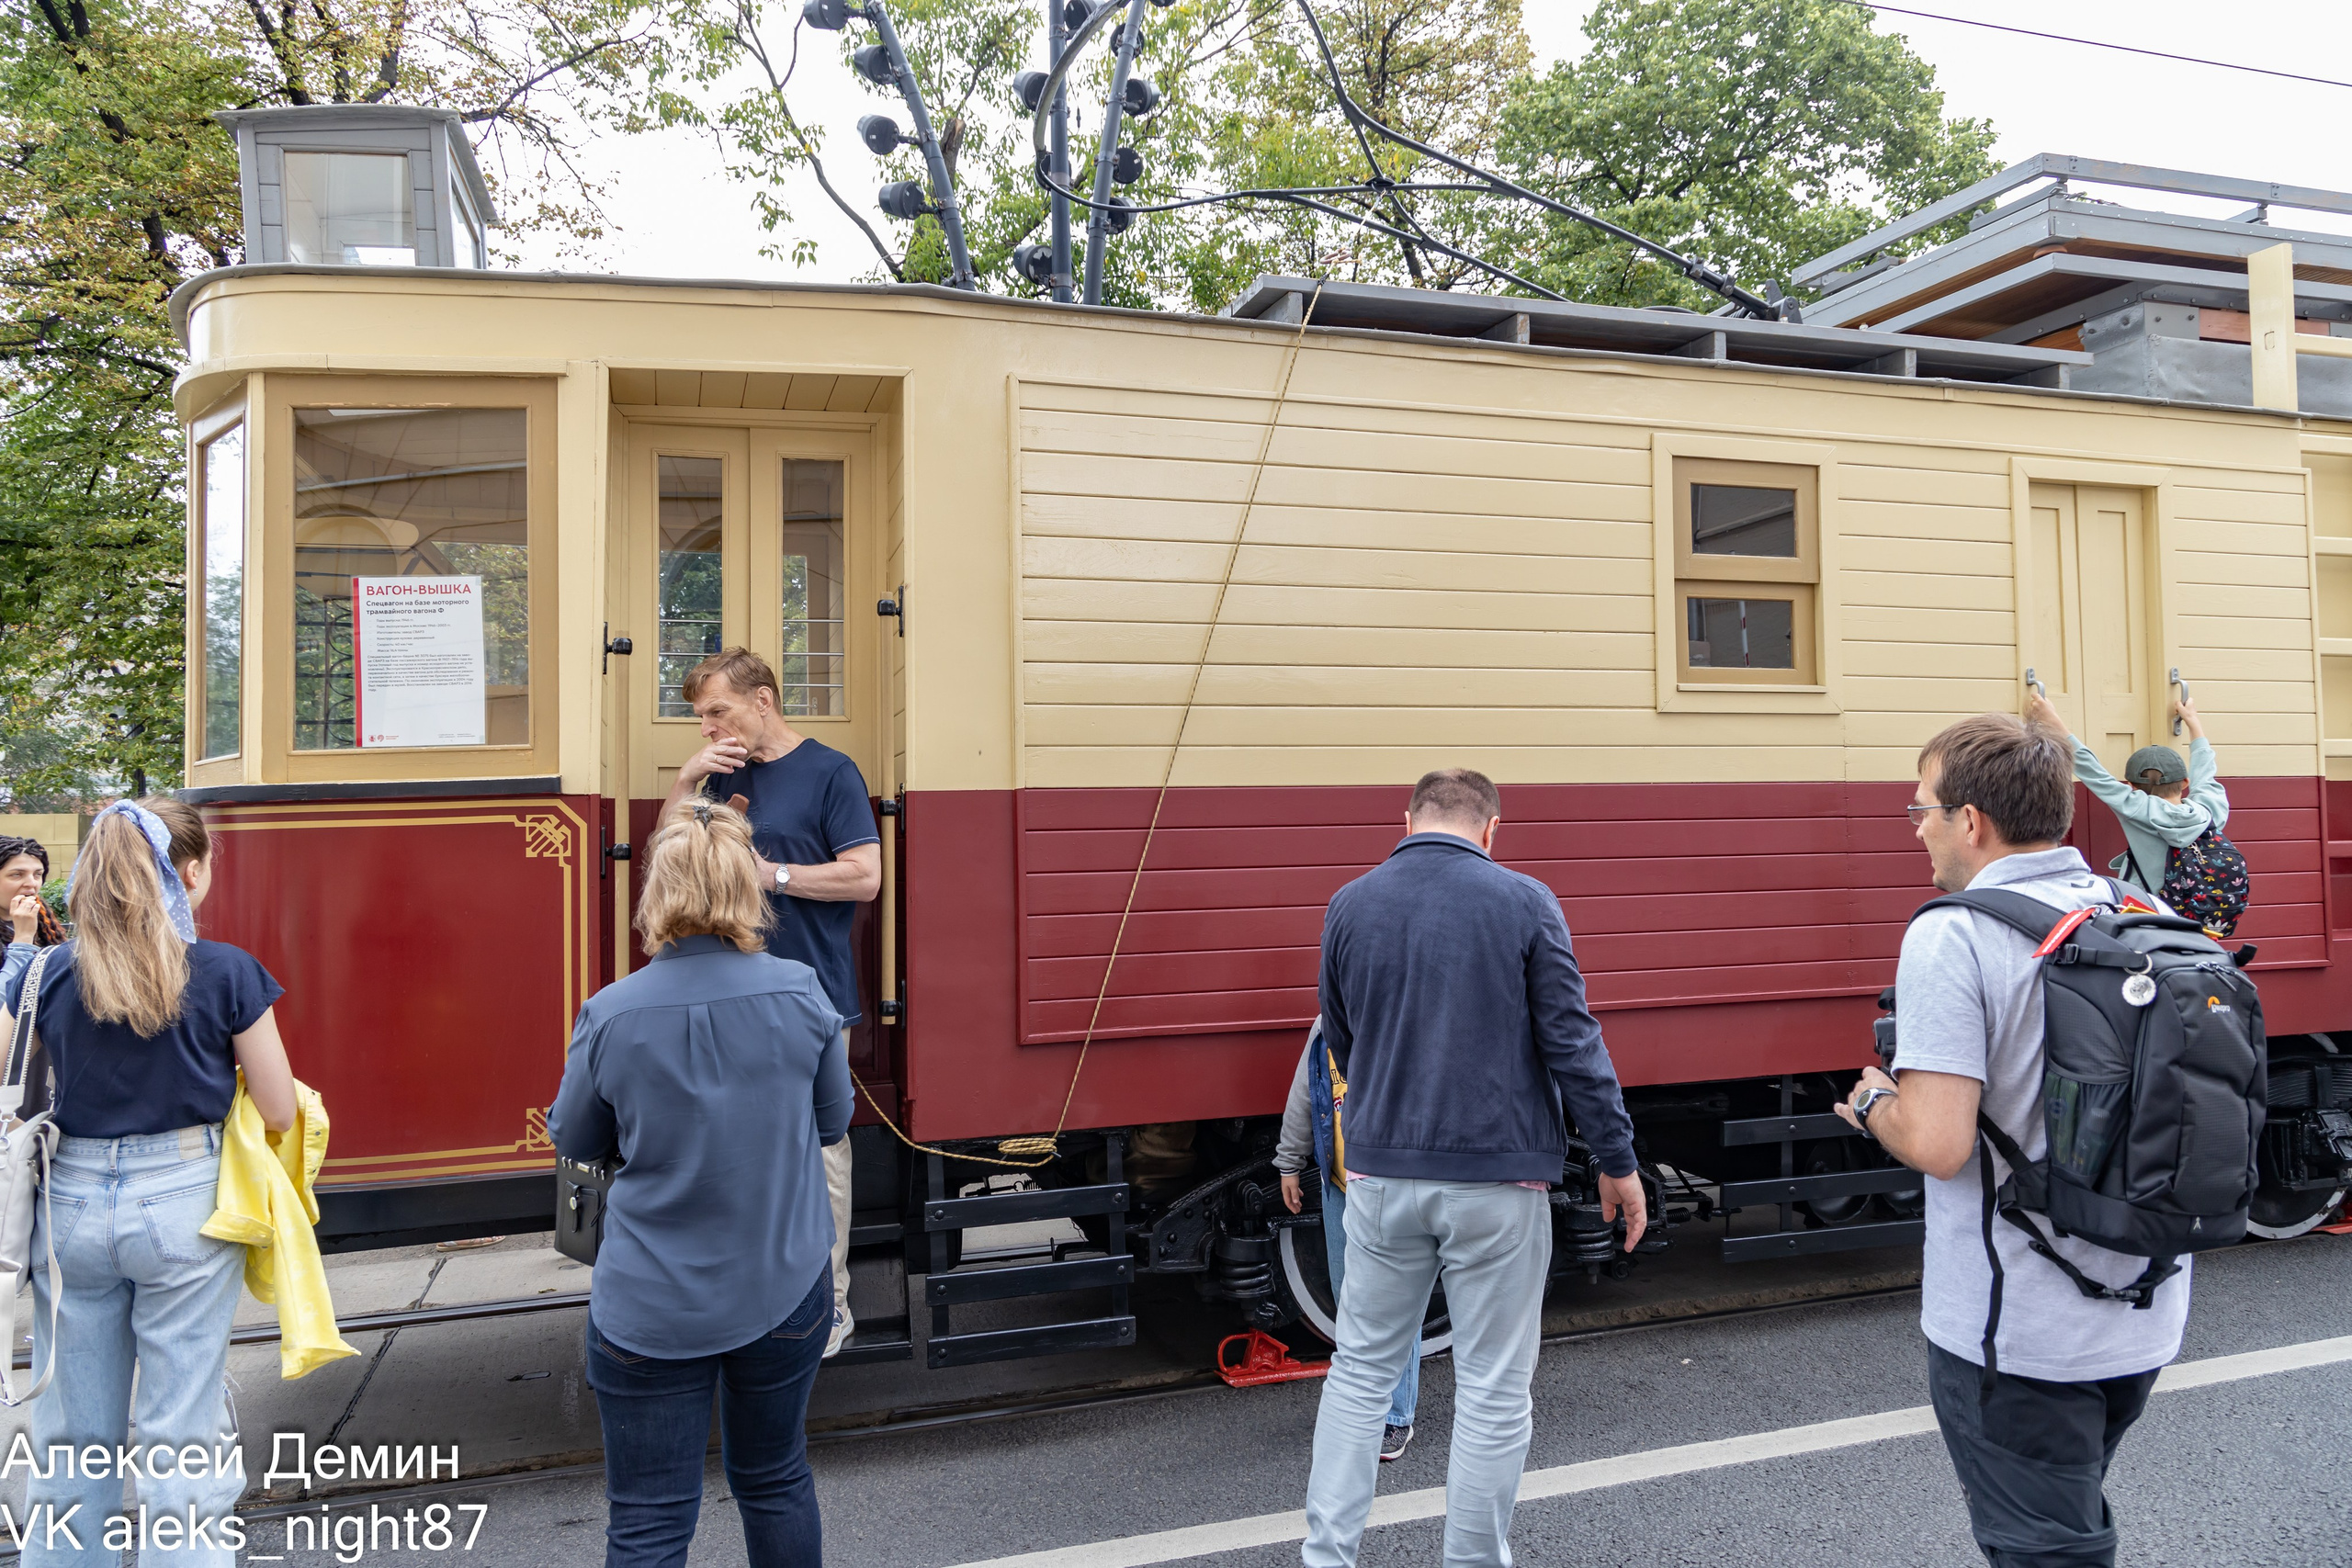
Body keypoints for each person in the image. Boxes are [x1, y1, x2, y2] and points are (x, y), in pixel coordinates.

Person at [1836, 714, 2190, 1568]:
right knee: (2064, 1516)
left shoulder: (1954, 932)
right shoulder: (2140, 907)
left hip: (2019, 1331)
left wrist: (1875, 1102)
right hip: (2143, 1309)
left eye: (1921, 807)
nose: (1917, 824)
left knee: (2047, 1550)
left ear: (1972, 820)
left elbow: (1941, 1142)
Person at [1302, 768, 1645, 1568]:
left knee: (1359, 1372)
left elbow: (1341, 1038)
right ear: (1493, 829)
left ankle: (1327, 1557)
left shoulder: (1350, 903)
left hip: (1382, 1177)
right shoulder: (1525, 901)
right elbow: (1573, 1043)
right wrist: (1616, 1156)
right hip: (1497, 1180)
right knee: (1492, 1387)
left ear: (1408, 819)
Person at [549, 797, 850, 1568]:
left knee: (649, 1521)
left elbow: (576, 1140)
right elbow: (831, 1120)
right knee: (777, 1478)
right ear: (746, 889)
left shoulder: (610, 1014)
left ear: (659, 892)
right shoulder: (801, 991)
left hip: (651, 1305)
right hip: (783, 1286)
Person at [16, 798, 297, 1568]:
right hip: (183, 1201)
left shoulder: (46, 970)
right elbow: (278, 1104)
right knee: (181, 1438)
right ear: (192, 873)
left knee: (73, 1437)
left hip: (69, 1204)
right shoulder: (226, 970)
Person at [665, 647, 878, 1358]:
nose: (708, 728)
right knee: (734, 1157)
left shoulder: (830, 771)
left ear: (763, 700)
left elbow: (864, 878)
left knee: (820, 1156)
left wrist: (773, 873)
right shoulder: (720, 774)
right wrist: (688, 779)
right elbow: (671, 856)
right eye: (700, 717)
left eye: (717, 711)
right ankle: (753, 1306)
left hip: (809, 1004)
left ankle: (831, 1307)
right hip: (725, 1001)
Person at [1275, 1021, 1420, 1462]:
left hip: (1395, 1182)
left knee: (1395, 1301)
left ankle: (1395, 1417)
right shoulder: (1325, 1026)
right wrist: (1288, 1162)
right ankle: (1365, 1406)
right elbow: (1306, 1089)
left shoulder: (1405, 1012)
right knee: (1348, 1298)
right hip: (1340, 1183)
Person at [2026, 691, 2227, 901]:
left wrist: (2052, 721)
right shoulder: (2210, 810)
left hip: (2154, 912)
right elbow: (2205, 773)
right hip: (2205, 915)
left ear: (2131, 786)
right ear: (2185, 782)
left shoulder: (2136, 806)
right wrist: (2193, 722)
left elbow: (2092, 771)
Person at [1, 831, 68, 1006]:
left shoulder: (44, 923)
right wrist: (23, 939)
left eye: (38, 874)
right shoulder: (26, 928)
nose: (31, 883)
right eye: (17, 874)